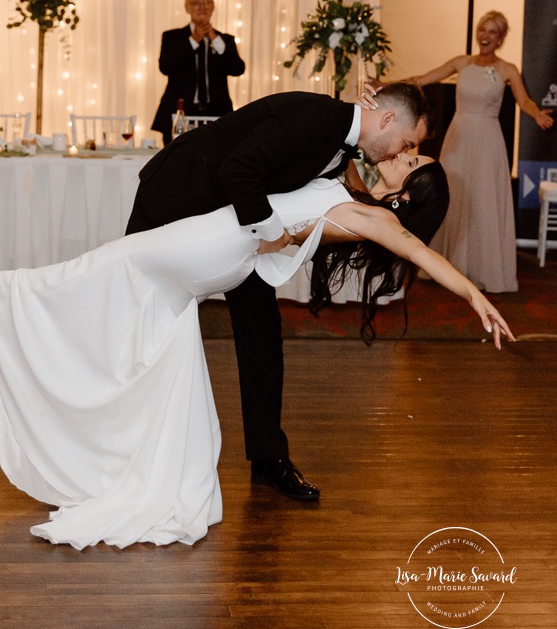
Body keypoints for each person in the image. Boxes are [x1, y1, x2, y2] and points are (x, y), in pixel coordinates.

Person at [0, 157, 514, 552]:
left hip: (220, 242)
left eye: (410, 161)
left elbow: (415, 247)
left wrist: (473, 294)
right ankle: (136, 454)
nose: (402, 153)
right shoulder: (356, 189)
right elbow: (344, 156)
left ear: (404, 195)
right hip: (227, 239)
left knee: (109, 266)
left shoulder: (374, 217)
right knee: (129, 291)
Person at [127, 82, 434, 503]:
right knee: (145, 323)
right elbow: (239, 168)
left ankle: (269, 459)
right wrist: (273, 234)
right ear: (385, 120)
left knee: (262, 336)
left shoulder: (345, 147)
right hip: (178, 197)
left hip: (235, 226)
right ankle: (126, 447)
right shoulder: (316, 118)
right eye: (406, 142)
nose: (401, 153)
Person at [404, 11, 554, 293]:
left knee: (483, 199)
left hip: (488, 142)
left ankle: (483, 270)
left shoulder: (508, 69)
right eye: (482, 30)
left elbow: (525, 101)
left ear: (501, 38)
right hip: (459, 137)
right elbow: (424, 78)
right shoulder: (461, 62)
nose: (485, 36)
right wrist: (387, 86)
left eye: (493, 32)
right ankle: (448, 267)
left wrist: (537, 116)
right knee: (453, 196)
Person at [151, 0, 246, 145]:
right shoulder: (172, 37)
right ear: (187, 8)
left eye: (207, 2)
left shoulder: (225, 40)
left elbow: (238, 69)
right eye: (196, 3)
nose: (202, 7)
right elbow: (165, 67)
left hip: (217, 114)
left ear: (213, 6)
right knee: (176, 165)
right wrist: (193, 41)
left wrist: (215, 41)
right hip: (179, 114)